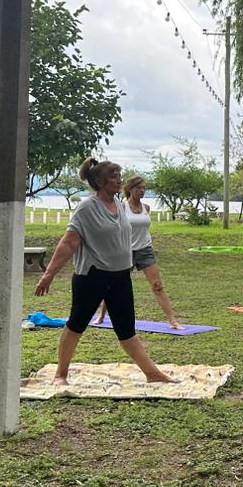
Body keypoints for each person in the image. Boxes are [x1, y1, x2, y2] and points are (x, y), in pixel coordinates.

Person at [35, 158, 175, 386]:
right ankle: (61, 374)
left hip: (120, 276)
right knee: (76, 324)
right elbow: (68, 243)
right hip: (92, 275)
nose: (119, 179)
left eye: (119, 174)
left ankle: (152, 373)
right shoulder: (87, 208)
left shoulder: (120, 204)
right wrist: (48, 274)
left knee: (126, 329)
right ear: (99, 181)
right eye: (113, 176)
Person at [95, 175, 183, 330]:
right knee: (113, 286)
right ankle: (102, 316)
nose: (142, 191)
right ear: (130, 189)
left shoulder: (146, 208)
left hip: (145, 249)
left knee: (157, 285)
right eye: (138, 188)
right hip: (125, 251)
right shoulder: (122, 207)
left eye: (144, 188)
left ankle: (173, 320)